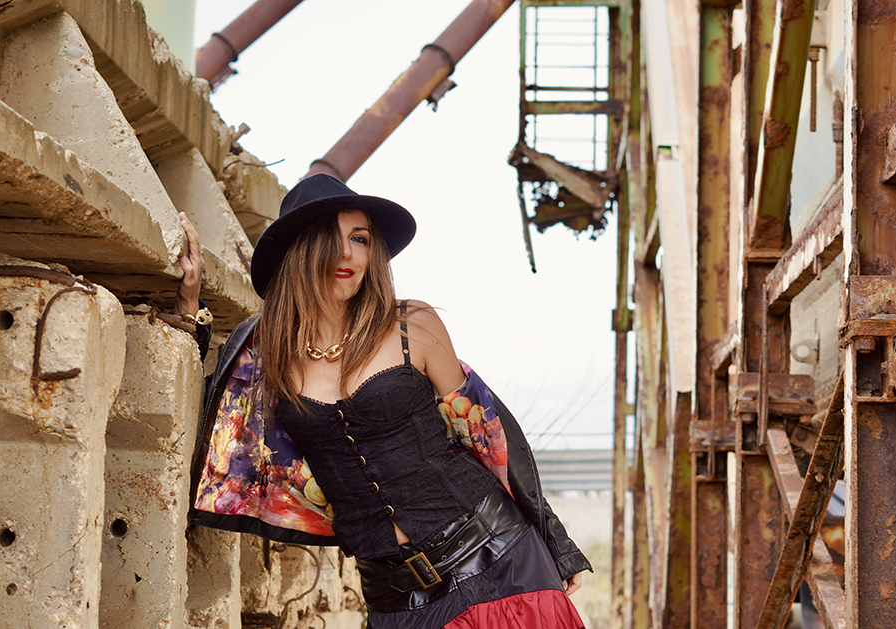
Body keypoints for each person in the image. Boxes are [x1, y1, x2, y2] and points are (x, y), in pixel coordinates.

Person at [181, 174, 591, 628]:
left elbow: (485, 433)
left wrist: (555, 539)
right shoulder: (266, 354)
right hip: (394, 596)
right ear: (300, 251)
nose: (347, 253)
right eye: (330, 238)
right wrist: (189, 306)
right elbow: (218, 430)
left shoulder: (412, 324)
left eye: (360, 238)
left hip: (500, 558)